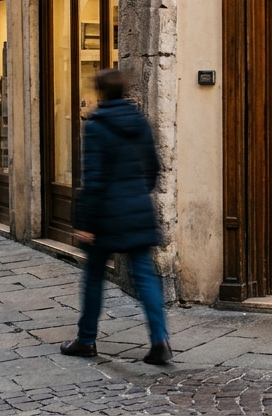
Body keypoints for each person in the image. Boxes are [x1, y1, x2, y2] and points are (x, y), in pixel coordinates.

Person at [60, 69, 171, 365]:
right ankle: (160, 340)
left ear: (100, 93)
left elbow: (93, 179)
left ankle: (86, 340)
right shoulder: (140, 122)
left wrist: (85, 223)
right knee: (145, 275)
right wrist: (137, 193)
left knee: (94, 277)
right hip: (138, 208)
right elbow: (153, 167)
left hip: (106, 214)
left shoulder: (96, 126)